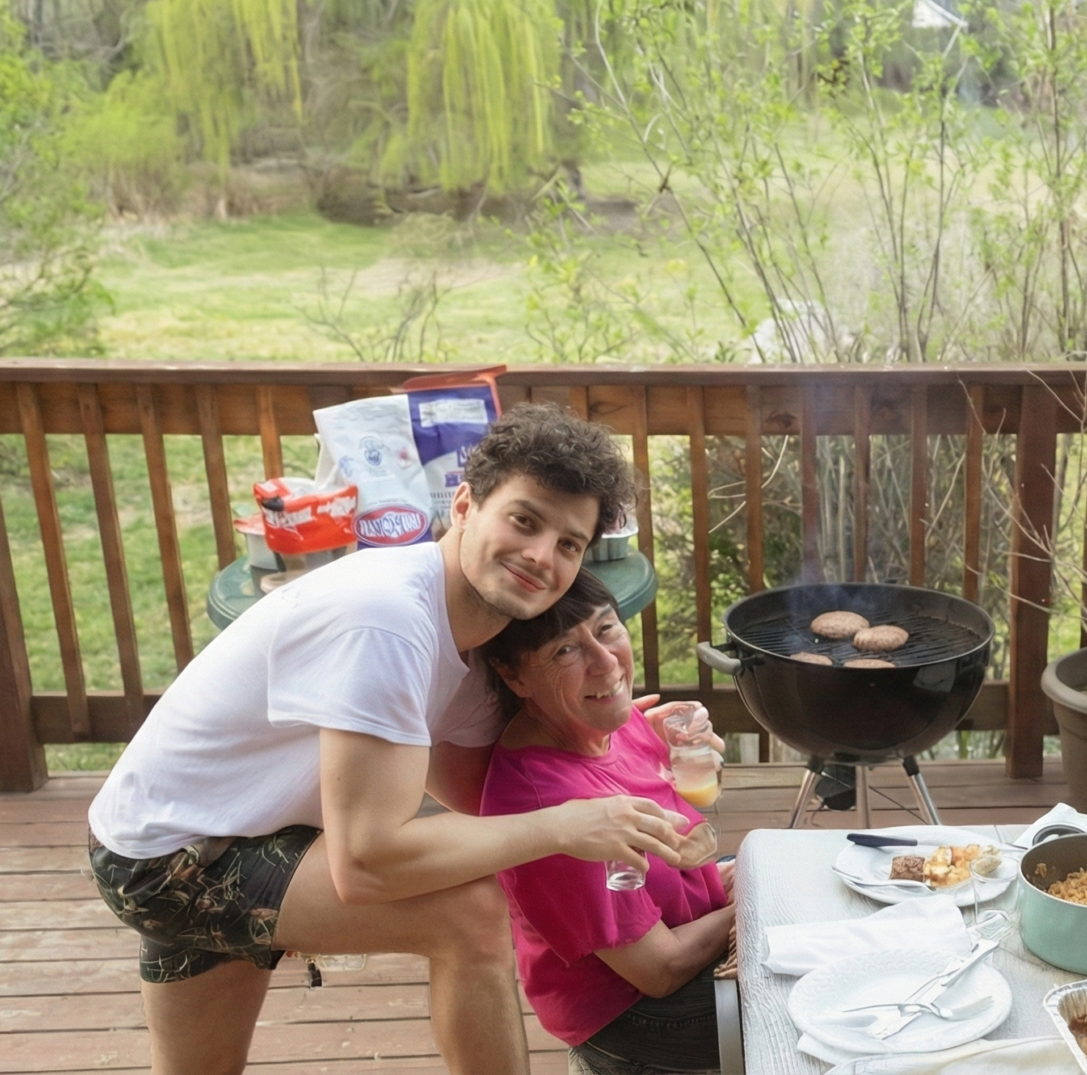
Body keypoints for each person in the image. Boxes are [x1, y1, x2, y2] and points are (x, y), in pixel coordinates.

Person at [86, 403, 704, 1075]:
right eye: (524, 520)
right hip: (171, 856)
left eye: (568, 544)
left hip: (224, 827)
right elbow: (369, 861)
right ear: (464, 505)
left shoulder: (475, 639)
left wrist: (637, 741)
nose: (539, 556)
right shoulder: (386, 620)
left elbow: (492, 792)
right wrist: (564, 823)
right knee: (468, 914)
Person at [480, 569, 735, 1075]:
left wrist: (677, 752)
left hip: (686, 925)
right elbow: (659, 971)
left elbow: (681, 827)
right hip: (637, 1015)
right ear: (514, 676)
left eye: (606, 629)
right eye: (563, 651)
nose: (605, 663)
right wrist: (753, 903)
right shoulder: (550, 808)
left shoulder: (605, 721)